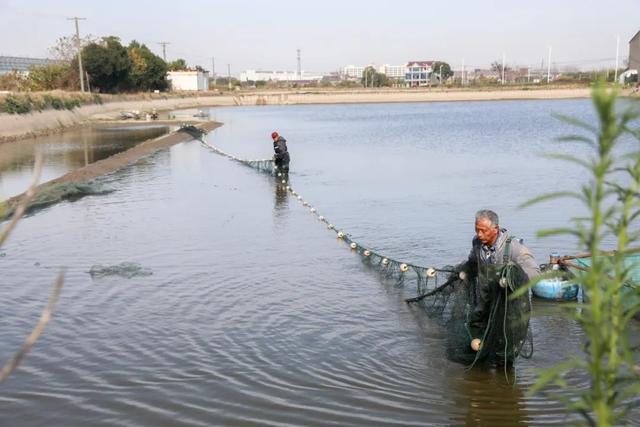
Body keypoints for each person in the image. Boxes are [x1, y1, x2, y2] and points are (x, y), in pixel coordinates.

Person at [463, 209, 540, 362]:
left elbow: (534, 273)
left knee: (504, 350)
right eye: (476, 230)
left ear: (495, 229)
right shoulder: (477, 243)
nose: (479, 234)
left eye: (483, 231)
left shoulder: (514, 247)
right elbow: (472, 262)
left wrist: (512, 278)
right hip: (486, 302)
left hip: (508, 308)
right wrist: (463, 272)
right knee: (477, 332)